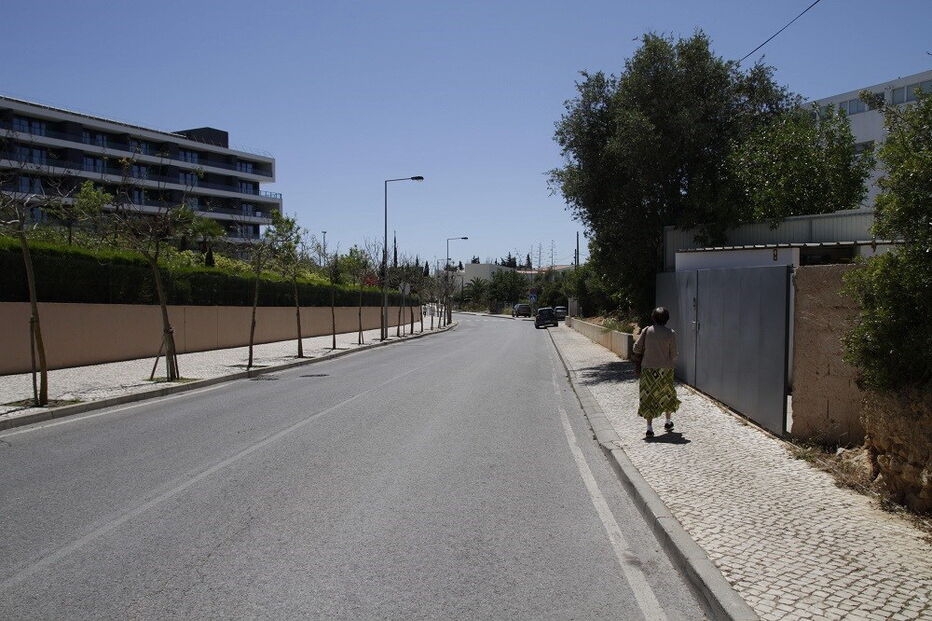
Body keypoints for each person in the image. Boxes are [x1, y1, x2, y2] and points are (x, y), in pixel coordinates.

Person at [632, 307, 680, 438]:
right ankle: (668, 422)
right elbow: (674, 354)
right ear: (667, 319)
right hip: (666, 370)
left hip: (648, 369)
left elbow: (636, 348)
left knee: (648, 396)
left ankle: (649, 428)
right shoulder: (671, 333)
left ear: (653, 318)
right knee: (667, 394)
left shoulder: (647, 330)